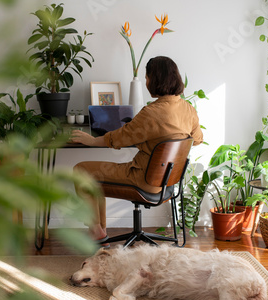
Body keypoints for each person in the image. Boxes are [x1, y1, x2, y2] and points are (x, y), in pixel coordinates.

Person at [71, 56, 203, 244]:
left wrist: (91, 140)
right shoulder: (188, 109)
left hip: (143, 180)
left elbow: (118, 138)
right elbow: (196, 139)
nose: (147, 82)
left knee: (81, 170)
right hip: (166, 184)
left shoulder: (151, 112)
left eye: (147, 77)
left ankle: (95, 231)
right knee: (94, 179)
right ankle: (99, 232)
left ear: (155, 79)